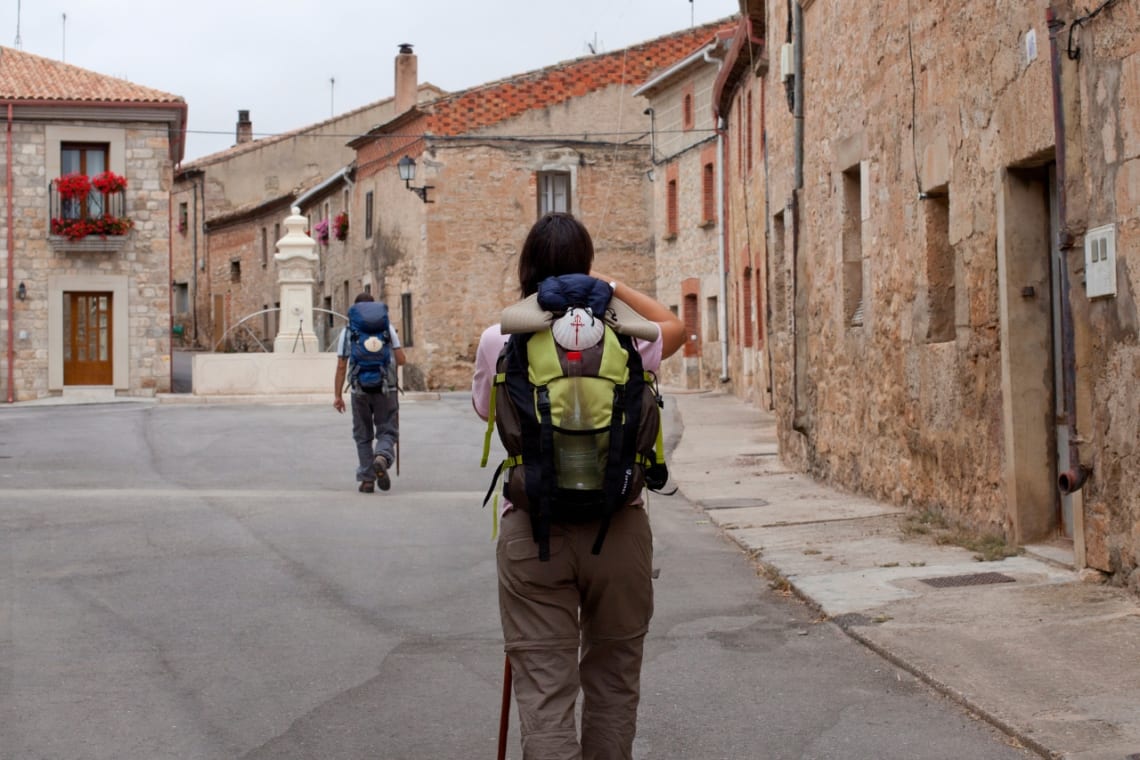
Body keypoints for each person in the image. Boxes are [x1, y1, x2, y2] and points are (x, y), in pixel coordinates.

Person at [472, 212, 684, 760]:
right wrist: (612, 289)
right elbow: (679, 327)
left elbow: (486, 412)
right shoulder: (627, 334)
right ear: (588, 265)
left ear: (528, 267)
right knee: (613, 682)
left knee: (544, 692)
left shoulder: (501, 337)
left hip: (533, 531)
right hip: (620, 527)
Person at [334, 293, 407, 493]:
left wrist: (338, 395)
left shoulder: (348, 331)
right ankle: (382, 457)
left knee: (363, 435)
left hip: (359, 389)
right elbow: (401, 360)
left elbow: (341, 365)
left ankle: (367, 480)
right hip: (387, 388)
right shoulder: (387, 328)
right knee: (387, 430)